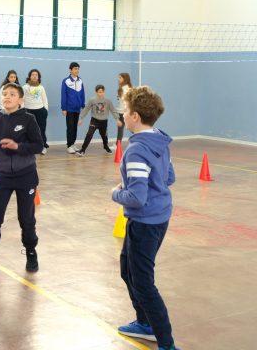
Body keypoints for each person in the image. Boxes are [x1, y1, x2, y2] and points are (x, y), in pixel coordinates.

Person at [112, 86, 179, 350]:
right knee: (127, 269)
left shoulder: (137, 150)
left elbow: (137, 197)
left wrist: (116, 193)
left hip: (145, 222)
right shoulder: (159, 139)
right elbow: (169, 177)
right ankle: (144, 323)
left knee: (143, 282)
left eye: (125, 110)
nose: (123, 114)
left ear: (135, 117)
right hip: (157, 217)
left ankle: (166, 343)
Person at [0, 82, 44, 272]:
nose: (7, 97)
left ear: (21, 100)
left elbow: (38, 145)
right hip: (3, 176)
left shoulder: (29, 119)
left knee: (26, 217)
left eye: (12, 94)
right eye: (5, 94)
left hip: (26, 176)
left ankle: (30, 251)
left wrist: (18, 147)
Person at [76, 84, 118, 156]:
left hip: (104, 121)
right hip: (95, 120)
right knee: (89, 134)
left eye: (102, 92)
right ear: (96, 92)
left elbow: (113, 110)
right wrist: (81, 118)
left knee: (104, 136)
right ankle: (82, 150)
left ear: (104, 92)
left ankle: (106, 146)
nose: (100, 93)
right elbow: (86, 109)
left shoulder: (108, 101)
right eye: (99, 92)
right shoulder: (92, 100)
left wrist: (117, 119)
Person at [22, 68, 49, 155]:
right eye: (33, 75)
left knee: (41, 130)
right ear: (29, 76)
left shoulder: (41, 87)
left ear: (38, 77)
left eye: (36, 75)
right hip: (28, 111)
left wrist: (45, 110)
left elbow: (45, 99)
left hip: (40, 111)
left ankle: (43, 146)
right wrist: (22, 110)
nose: (34, 76)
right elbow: (22, 99)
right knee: (28, 130)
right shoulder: (25, 87)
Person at [60, 62, 85, 154]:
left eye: (78, 68)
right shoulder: (66, 81)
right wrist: (63, 108)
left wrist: (82, 105)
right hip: (69, 109)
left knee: (75, 127)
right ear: (70, 70)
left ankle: (73, 143)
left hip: (77, 108)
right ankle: (69, 145)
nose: (77, 70)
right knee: (70, 127)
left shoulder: (80, 80)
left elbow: (82, 94)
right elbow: (63, 95)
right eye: (75, 69)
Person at [115, 72, 132, 144]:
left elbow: (127, 102)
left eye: (120, 78)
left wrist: (126, 112)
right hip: (120, 112)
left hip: (123, 112)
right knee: (120, 129)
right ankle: (117, 145)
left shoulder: (126, 89)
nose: (118, 79)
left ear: (125, 79)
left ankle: (143, 141)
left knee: (130, 129)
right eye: (118, 77)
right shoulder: (122, 88)